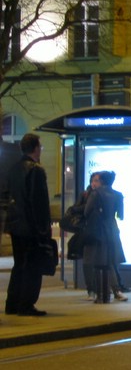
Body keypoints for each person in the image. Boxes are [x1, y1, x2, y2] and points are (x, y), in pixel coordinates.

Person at [4, 133, 51, 316]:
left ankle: (12, 303)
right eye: (41, 147)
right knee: (32, 266)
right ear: (36, 148)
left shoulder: (14, 169)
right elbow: (38, 203)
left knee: (19, 265)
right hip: (31, 227)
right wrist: (42, 229)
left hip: (16, 226)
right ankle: (26, 304)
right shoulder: (35, 170)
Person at [83, 171, 127, 303]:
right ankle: (115, 290)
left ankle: (100, 293)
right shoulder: (118, 195)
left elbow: (87, 211)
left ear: (101, 181)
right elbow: (121, 216)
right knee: (110, 261)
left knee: (97, 261)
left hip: (98, 230)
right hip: (112, 230)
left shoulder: (96, 194)